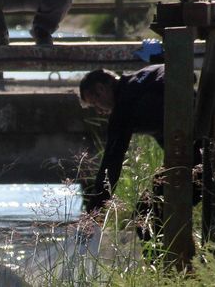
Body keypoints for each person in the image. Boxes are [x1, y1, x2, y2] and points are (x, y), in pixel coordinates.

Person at [78, 65, 203, 239]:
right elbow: (179, 70)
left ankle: (171, 263)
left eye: (95, 103)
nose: (99, 110)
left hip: (194, 162)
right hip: (201, 151)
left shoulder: (123, 109)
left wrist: (93, 214)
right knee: (147, 213)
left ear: (101, 89)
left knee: (144, 219)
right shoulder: (144, 75)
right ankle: (182, 259)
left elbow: (110, 165)